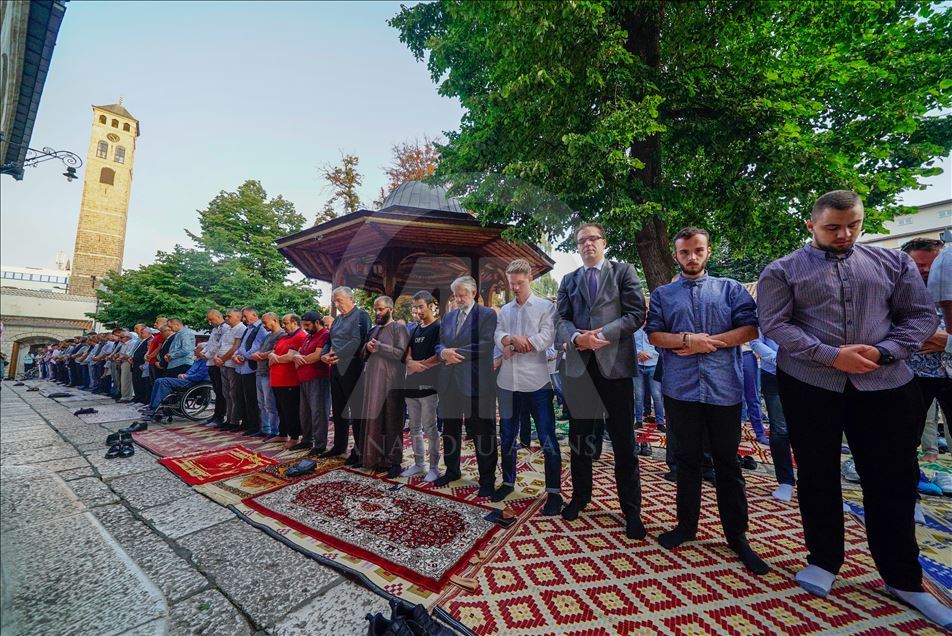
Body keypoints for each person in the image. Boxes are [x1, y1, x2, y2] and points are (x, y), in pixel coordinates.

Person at [759, 190, 949, 629]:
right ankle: (824, 559)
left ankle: (904, 577)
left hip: (885, 383)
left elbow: (920, 317)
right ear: (811, 225)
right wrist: (830, 355)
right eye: (832, 228)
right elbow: (776, 324)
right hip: (812, 383)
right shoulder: (782, 270)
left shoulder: (893, 264)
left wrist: (883, 352)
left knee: (893, 479)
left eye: (853, 226)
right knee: (818, 472)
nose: (844, 235)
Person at [646, 226, 767, 574]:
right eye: (685, 252)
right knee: (686, 459)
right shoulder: (664, 295)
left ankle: (737, 535)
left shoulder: (730, 289)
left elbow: (750, 328)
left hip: (723, 390)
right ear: (677, 255)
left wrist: (708, 343)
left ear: (708, 252)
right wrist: (685, 339)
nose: (692, 257)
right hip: (680, 389)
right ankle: (686, 526)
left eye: (698, 250)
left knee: (727, 464)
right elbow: (653, 333)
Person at [556, 223, 645, 539]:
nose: (587, 244)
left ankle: (631, 511)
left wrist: (602, 335)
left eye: (593, 238)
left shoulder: (623, 272)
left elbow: (636, 314)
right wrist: (579, 337)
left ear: (603, 242)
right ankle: (580, 497)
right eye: (581, 241)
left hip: (615, 367)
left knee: (623, 442)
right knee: (580, 440)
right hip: (581, 369)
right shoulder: (569, 280)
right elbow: (561, 319)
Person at [494, 259, 562, 514]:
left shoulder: (546, 307)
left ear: (529, 279)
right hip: (508, 382)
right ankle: (508, 481)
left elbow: (546, 337)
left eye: (520, 284)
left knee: (547, 438)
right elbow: (497, 335)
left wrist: (517, 345)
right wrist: (510, 340)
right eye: (512, 284)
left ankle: (554, 492)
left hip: (537, 383)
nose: (516, 288)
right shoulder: (506, 309)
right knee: (507, 437)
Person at [435, 276, 498, 495]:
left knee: (483, 432)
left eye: (462, 294)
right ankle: (452, 470)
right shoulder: (449, 317)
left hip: (476, 382)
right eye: (456, 295)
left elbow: (486, 344)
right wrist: (442, 352)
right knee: (450, 430)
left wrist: (454, 354)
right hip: (449, 382)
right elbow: (440, 342)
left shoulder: (487, 314)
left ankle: (487, 480)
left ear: (474, 293)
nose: (459, 298)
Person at [902, 238, 952, 464]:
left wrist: (948, 341)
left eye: (933, 263)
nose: (927, 270)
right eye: (919, 265)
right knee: (905, 436)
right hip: (915, 376)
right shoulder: (898, 292)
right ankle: (907, 493)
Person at [359, 296, 410, 476]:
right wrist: (368, 347)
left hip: (392, 382)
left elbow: (401, 354)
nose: (378, 313)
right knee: (374, 420)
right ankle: (374, 457)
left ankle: (393, 461)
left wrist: (380, 347)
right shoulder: (373, 330)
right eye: (376, 309)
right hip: (372, 382)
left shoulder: (399, 328)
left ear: (391, 309)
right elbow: (362, 354)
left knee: (392, 421)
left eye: (381, 309)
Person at [320, 287, 372, 464]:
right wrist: (324, 355)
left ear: (351, 298)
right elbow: (329, 340)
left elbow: (359, 341)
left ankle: (360, 451)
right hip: (335, 368)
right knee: (339, 408)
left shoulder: (361, 316)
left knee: (357, 411)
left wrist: (337, 355)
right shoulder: (337, 320)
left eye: (339, 300)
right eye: (335, 301)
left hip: (353, 368)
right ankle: (339, 446)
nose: (337, 304)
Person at [401, 291, 442, 482]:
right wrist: (410, 363)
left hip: (429, 384)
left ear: (430, 306)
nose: (418, 310)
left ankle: (434, 467)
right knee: (414, 427)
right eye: (415, 307)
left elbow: (439, 355)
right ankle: (419, 463)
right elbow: (407, 351)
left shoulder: (438, 327)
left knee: (430, 427)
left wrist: (422, 365)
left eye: (421, 306)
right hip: (411, 384)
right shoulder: (415, 328)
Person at [750, 334, 796, 501]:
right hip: (773, 372)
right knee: (780, 429)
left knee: (809, 429)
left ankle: (820, 484)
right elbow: (755, 341)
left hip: (808, 373)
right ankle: (786, 481)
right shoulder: (764, 309)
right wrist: (781, 360)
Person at [292, 310, 331, 454]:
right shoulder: (309, 336)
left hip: (318, 378)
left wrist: (299, 359)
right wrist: (297, 357)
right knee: (305, 413)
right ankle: (307, 440)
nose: (305, 328)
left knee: (318, 413)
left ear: (316, 322)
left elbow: (317, 356)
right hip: (304, 378)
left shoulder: (324, 334)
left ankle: (320, 445)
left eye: (307, 325)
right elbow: (299, 352)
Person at [138, 347, 211, 423]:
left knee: (164, 381)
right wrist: (184, 375)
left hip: (192, 382)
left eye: (197, 348)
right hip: (187, 380)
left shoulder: (204, 362)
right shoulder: (197, 360)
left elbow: (199, 376)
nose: (194, 349)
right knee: (158, 380)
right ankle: (152, 406)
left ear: (203, 350)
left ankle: (155, 407)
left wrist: (186, 376)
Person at [270, 313, 307, 441]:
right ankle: (282, 434)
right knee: (281, 409)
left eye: (285, 323)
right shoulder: (284, 338)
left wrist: (276, 358)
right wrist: (275, 357)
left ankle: (294, 437)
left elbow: (290, 357)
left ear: (295, 323)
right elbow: (273, 352)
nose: (283, 326)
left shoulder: (300, 336)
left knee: (291, 411)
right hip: (277, 379)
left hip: (289, 380)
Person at [250, 312, 284, 441]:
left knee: (270, 404)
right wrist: (258, 354)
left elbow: (277, 351)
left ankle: (274, 430)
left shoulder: (281, 334)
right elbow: (262, 350)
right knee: (262, 403)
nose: (263, 326)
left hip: (269, 373)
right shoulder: (268, 335)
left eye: (265, 322)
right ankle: (265, 428)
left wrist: (261, 355)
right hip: (260, 371)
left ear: (274, 320)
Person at [233, 306, 266, 435]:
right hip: (242, 367)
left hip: (251, 367)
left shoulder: (261, 329)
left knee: (252, 399)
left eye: (246, 316)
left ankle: (254, 426)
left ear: (254, 315)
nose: (244, 319)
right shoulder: (248, 329)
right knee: (242, 397)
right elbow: (241, 345)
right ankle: (246, 423)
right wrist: (236, 355)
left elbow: (257, 347)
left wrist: (242, 356)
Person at [633, 327, 664, 458]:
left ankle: (660, 422)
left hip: (653, 363)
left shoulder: (654, 329)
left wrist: (649, 354)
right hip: (638, 364)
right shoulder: (634, 331)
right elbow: (630, 346)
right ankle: (639, 420)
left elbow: (660, 346)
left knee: (656, 395)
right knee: (638, 394)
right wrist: (639, 353)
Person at [215, 309, 247, 432]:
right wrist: (217, 357)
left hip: (231, 364)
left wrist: (222, 359)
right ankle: (228, 419)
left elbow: (235, 348)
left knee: (234, 393)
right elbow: (221, 345)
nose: (226, 318)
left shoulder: (240, 328)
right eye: (226, 316)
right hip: (223, 363)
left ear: (238, 317)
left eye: (229, 316)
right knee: (226, 393)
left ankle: (234, 420)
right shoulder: (227, 329)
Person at [203, 310, 227, 426]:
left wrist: (207, 355)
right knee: (217, 391)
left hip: (218, 362)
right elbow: (210, 343)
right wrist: (203, 352)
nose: (210, 322)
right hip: (211, 362)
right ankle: (216, 415)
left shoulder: (225, 328)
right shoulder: (215, 329)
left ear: (218, 316)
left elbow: (219, 345)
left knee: (221, 391)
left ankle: (220, 416)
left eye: (211, 319)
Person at [130, 324, 153, 404]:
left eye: (143, 332)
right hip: (135, 363)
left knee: (141, 382)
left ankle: (142, 398)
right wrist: (132, 357)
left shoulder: (149, 340)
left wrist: (135, 358)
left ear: (148, 333)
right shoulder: (141, 340)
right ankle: (137, 397)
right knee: (136, 381)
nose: (141, 333)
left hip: (141, 363)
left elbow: (144, 353)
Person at [118, 326, 141, 402]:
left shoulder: (132, 343)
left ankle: (127, 397)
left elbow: (128, 354)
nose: (120, 339)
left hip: (127, 362)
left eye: (121, 337)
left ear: (127, 337)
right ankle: (125, 395)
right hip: (123, 362)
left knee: (126, 379)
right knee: (123, 380)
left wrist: (120, 358)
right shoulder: (124, 344)